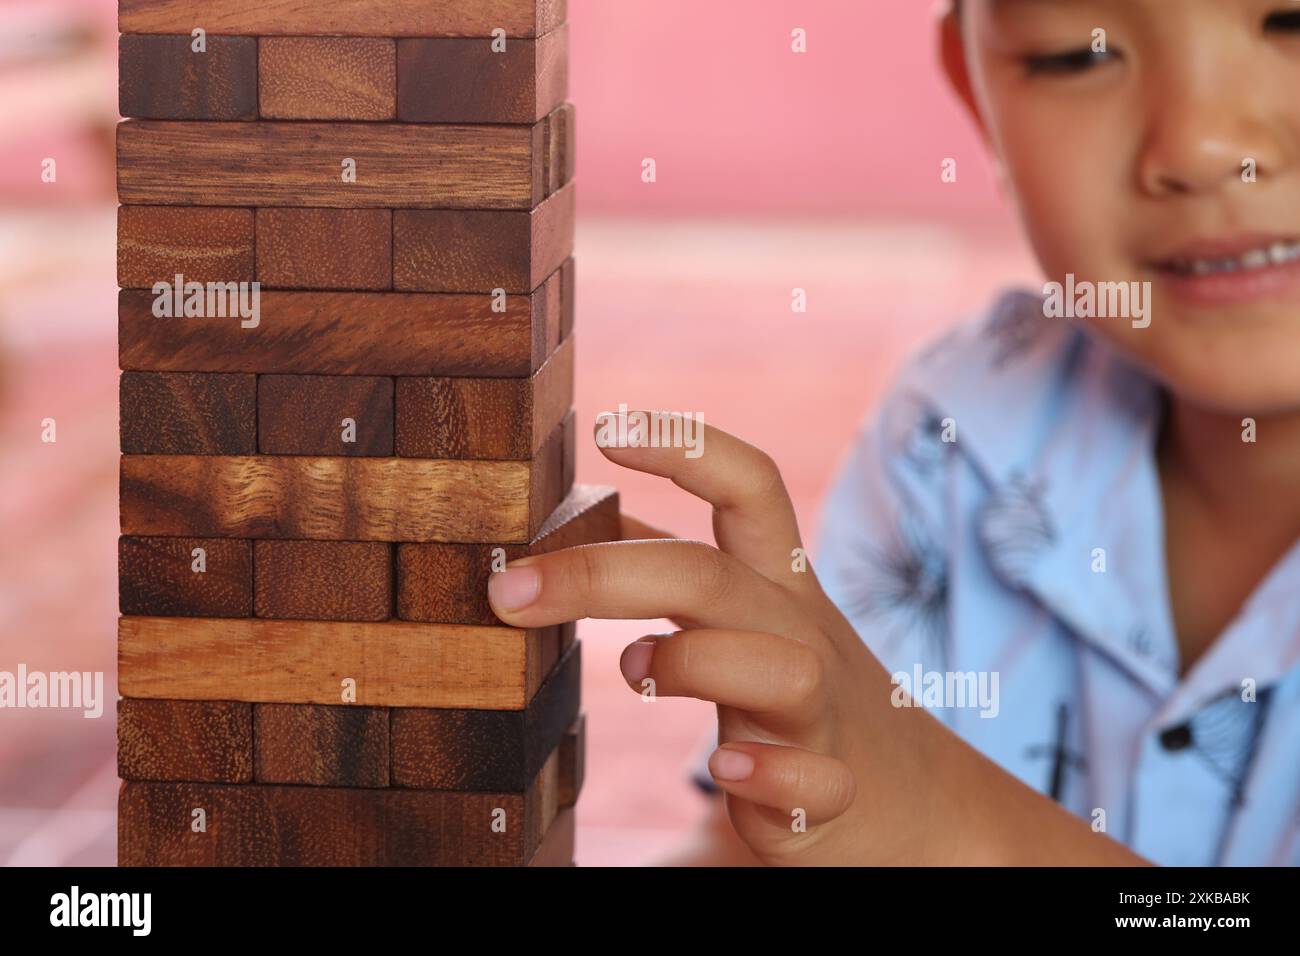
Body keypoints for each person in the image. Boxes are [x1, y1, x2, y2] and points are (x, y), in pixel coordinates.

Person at [488, 0, 1300, 865]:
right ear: (974, 91)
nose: (1202, 146)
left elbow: (904, 812)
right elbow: (772, 839)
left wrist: (950, 820)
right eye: (1072, 56)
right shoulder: (964, 428)